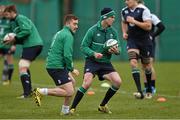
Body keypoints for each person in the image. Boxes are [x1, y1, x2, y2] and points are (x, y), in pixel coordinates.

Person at [70, 7, 122, 114]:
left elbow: (119, 49)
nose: (114, 19)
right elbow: (83, 47)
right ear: (104, 17)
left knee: (117, 82)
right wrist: (93, 53)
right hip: (92, 62)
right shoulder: (92, 30)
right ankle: (72, 108)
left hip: (106, 63)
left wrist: (116, 51)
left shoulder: (113, 32)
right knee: (87, 83)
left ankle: (102, 106)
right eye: (112, 17)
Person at [33, 14, 79, 115]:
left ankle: (65, 111)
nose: (76, 26)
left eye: (77, 24)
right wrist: (72, 69)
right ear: (67, 23)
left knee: (73, 83)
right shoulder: (68, 35)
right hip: (56, 66)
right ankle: (40, 91)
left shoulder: (60, 32)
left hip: (57, 65)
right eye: (74, 24)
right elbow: (67, 55)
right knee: (69, 91)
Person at [3, 5, 43, 98]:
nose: (6, 17)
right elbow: (23, 36)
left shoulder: (20, 18)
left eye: (7, 14)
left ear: (13, 12)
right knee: (24, 67)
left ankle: (26, 93)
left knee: (22, 66)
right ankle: (28, 91)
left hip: (33, 45)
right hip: (30, 45)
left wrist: (15, 38)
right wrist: (13, 41)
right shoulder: (16, 22)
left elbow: (27, 31)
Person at [121, 0, 153, 99]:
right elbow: (123, 22)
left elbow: (148, 26)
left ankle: (148, 89)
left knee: (147, 66)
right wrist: (124, 32)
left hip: (144, 41)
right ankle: (140, 91)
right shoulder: (124, 11)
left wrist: (134, 21)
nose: (126, 2)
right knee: (133, 62)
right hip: (132, 41)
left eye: (128, 0)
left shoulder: (144, 10)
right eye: (125, 0)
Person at [143, 13, 165, 94]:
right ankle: (146, 87)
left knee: (149, 65)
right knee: (143, 66)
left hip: (149, 43)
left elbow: (162, 27)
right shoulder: (135, 16)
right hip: (140, 43)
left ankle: (152, 87)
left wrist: (152, 35)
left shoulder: (151, 16)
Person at [0, 5, 16, 85]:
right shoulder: (0, 20)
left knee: (9, 62)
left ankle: (8, 80)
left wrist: (14, 45)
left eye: (2, 10)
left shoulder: (11, 21)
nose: (1, 12)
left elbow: (14, 34)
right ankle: (4, 77)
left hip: (8, 45)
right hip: (0, 44)